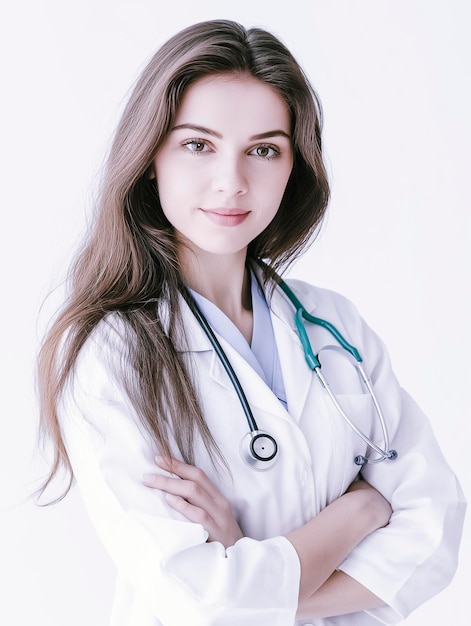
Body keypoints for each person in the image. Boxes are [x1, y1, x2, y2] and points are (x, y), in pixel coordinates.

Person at [37, 19, 466, 626]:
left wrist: (253, 569)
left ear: (295, 166)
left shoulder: (332, 324)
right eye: (198, 145)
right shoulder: (112, 354)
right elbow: (197, 596)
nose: (231, 182)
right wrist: (360, 513)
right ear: (150, 157)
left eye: (264, 150)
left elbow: (436, 528)